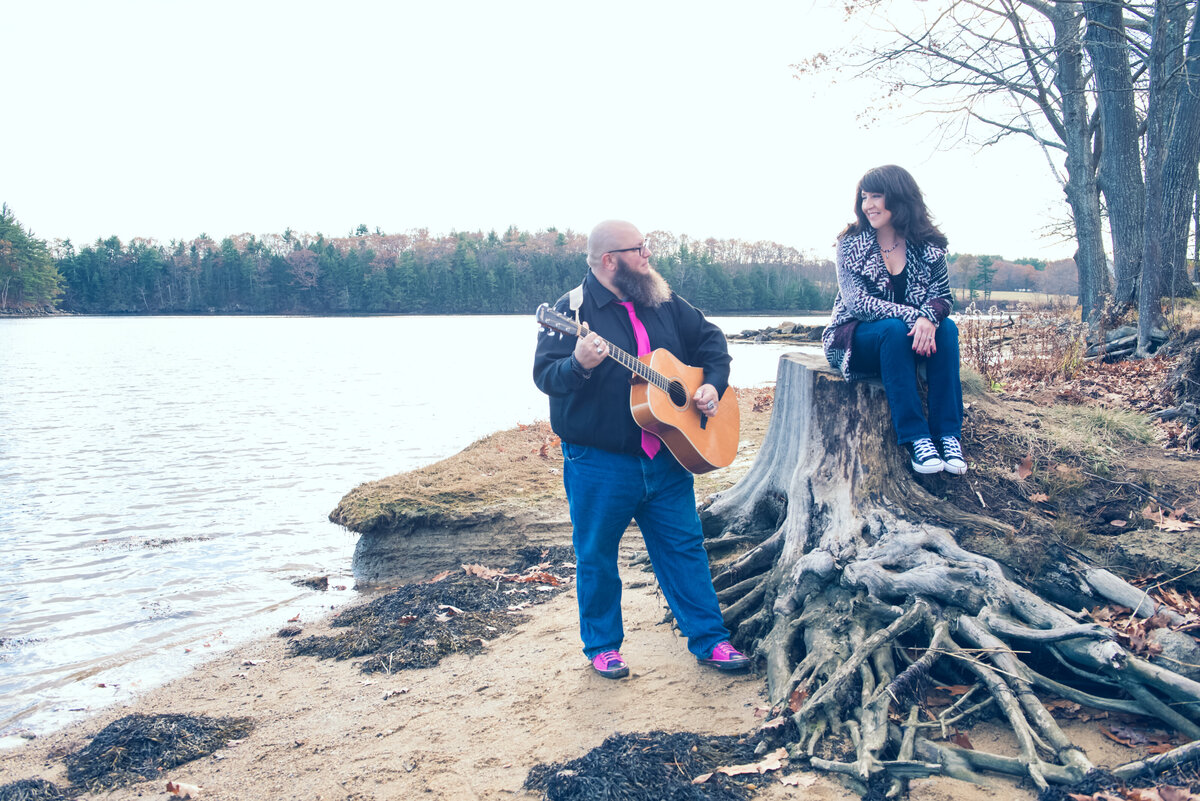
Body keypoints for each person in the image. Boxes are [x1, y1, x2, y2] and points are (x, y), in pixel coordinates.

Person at [533, 219, 750, 679]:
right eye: (639, 249)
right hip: (600, 460)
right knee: (596, 555)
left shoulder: (662, 299)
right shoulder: (568, 310)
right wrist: (577, 364)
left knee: (685, 548)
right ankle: (603, 647)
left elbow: (711, 341)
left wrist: (711, 384)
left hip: (668, 453)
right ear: (610, 260)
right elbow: (546, 378)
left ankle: (710, 640)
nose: (648, 255)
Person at [821, 165, 967, 475]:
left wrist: (930, 319)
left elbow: (943, 296)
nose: (868, 205)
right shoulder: (851, 243)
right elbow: (857, 303)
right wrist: (918, 317)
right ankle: (917, 439)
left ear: (898, 198)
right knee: (893, 327)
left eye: (876, 196)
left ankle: (948, 435)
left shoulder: (927, 244)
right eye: (864, 197)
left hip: (906, 339)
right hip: (855, 337)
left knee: (948, 329)